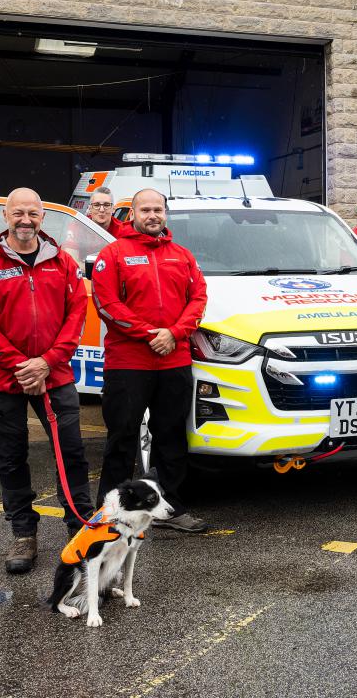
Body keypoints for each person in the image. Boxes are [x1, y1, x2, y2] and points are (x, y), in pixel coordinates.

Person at [0, 188, 92, 574]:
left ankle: (80, 528)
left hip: (55, 376)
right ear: (7, 216)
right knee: (11, 456)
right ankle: (23, 533)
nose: (26, 220)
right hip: (5, 378)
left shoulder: (64, 264)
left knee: (70, 451)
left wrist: (47, 363)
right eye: (18, 213)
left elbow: (76, 317)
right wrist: (23, 365)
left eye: (32, 213)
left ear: (42, 217)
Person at [92, 188, 209, 532]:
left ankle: (169, 508)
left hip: (173, 360)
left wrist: (174, 333)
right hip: (128, 362)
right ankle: (111, 514)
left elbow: (199, 298)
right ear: (133, 214)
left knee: (171, 436)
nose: (152, 215)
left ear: (165, 214)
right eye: (145, 209)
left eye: (158, 209)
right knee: (122, 437)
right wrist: (150, 334)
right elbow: (107, 304)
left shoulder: (183, 256)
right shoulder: (112, 254)